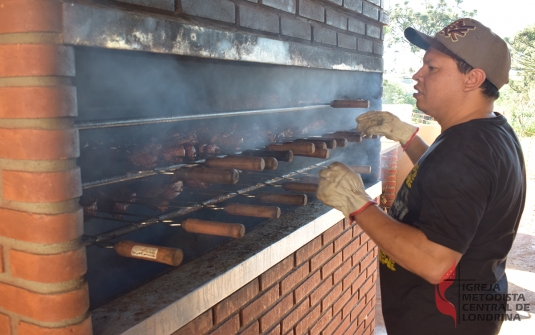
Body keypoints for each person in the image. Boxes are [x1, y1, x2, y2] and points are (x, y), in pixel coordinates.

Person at [316, 18, 526, 335]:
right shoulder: (487, 130)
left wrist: (357, 203)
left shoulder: (466, 151)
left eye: (432, 68)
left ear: (473, 79)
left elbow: (434, 262)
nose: (417, 75)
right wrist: (407, 137)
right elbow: (446, 180)